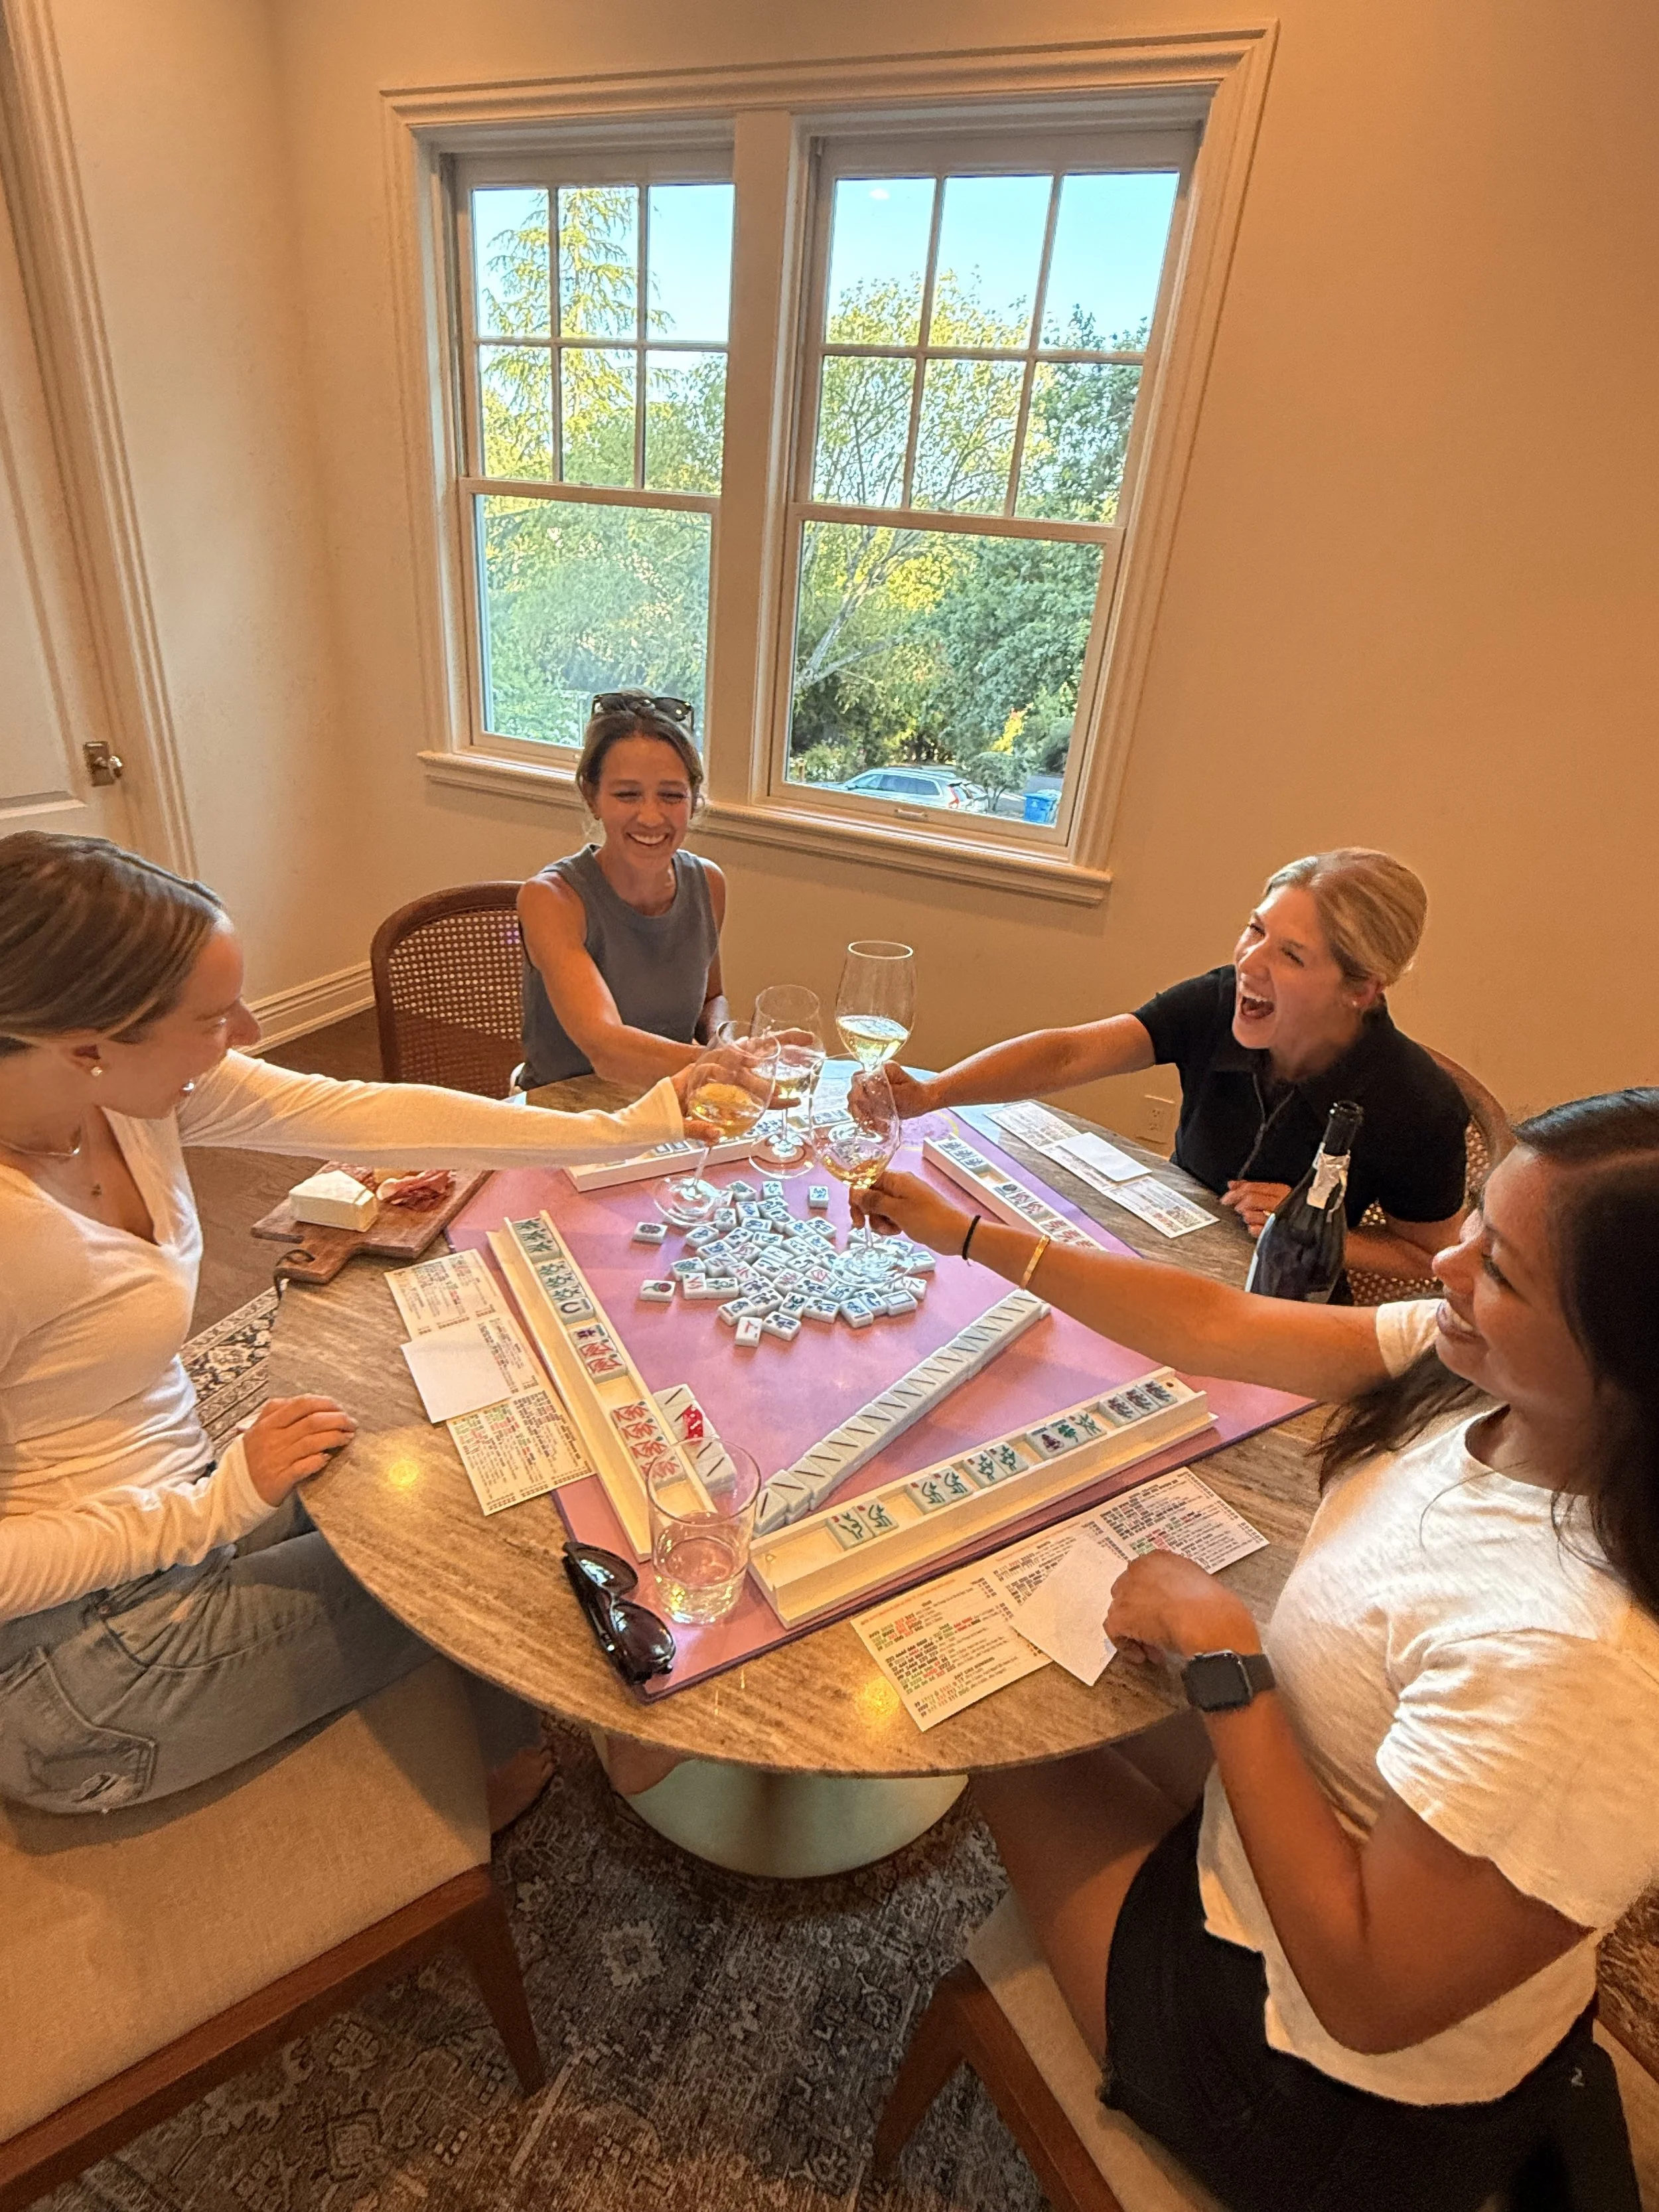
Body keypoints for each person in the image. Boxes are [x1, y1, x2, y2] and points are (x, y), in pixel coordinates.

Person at [853, 1090, 1659, 2210]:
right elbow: (1219, 1325)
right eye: (1477, 1218)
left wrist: (1229, 1667)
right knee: (1050, 1674)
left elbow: (1366, 1995)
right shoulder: (1492, 1374)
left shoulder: (1587, 1666)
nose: (1448, 1265)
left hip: (1322, 2090)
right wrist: (972, 1236)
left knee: (993, 1722)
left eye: (1506, 1269)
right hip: (1334, 1832)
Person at [0, 831, 725, 1832]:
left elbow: (362, 1115)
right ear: (90, 1040)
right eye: (214, 1017)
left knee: (491, 1484)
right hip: (82, 1665)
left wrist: (627, 1128)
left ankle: (492, 1723)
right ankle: (546, 1742)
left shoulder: (122, 1100)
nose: (252, 1029)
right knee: (508, 1580)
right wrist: (212, 1512)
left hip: (179, 1498)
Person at [888, 848, 1470, 1284]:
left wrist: (1312, 1228)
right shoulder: (1221, 999)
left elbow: (1428, 1254)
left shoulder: (1419, 1102)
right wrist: (930, 1093)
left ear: (1363, 989)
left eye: (1291, 955)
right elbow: (1073, 1051)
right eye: (1256, 929)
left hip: (1282, 1305)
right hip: (1161, 1254)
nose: (1250, 961)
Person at [518, 692, 728, 1090]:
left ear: (693, 800)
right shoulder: (550, 898)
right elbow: (607, 1050)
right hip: (566, 1123)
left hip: (673, 1106)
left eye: (671, 795)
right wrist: (726, 1064)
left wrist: (724, 1036)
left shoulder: (709, 884)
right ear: (591, 796)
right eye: (627, 794)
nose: (651, 816)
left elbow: (711, 1000)